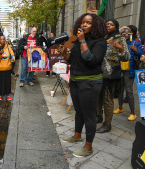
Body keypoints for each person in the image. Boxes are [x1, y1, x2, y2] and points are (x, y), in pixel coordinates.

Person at [59, 13, 107, 157]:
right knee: (79, 111)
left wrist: (82, 42)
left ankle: (88, 147)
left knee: (89, 115)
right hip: (75, 80)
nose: (84, 25)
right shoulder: (78, 40)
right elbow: (72, 61)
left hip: (90, 82)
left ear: (95, 26)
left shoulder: (100, 42)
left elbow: (91, 60)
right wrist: (64, 53)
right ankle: (77, 136)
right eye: (83, 22)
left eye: (88, 23)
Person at [96, 19, 129, 133]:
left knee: (107, 98)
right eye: (107, 24)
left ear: (116, 27)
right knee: (98, 96)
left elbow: (126, 57)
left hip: (111, 73)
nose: (108, 26)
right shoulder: (102, 37)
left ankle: (107, 124)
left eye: (111, 24)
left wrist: (119, 47)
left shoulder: (120, 38)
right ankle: (98, 116)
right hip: (99, 71)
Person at [114, 26, 143, 121]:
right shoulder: (119, 43)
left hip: (129, 70)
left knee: (129, 91)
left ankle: (133, 112)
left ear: (131, 34)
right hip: (119, 69)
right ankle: (120, 107)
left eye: (128, 34)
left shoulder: (136, 43)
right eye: (124, 34)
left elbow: (142, 55)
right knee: (120, 90)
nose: (126, 35)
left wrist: (136, 50)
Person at [0, 36, 15, 101]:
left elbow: (12, 54)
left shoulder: (8, 47)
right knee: (0, 83)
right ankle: (0, 95)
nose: (2, 40)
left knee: (7, 82)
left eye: (3, 39)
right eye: (1, 39)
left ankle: (7, 94)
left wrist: (13, 59)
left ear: (5, 40)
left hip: (7, 68)